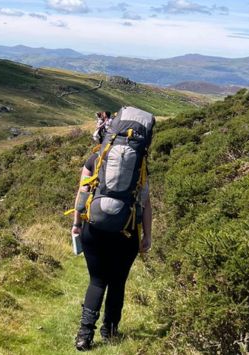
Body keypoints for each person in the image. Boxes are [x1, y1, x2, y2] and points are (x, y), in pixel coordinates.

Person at [71, 111, 153, 351]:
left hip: (94, 230)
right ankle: (110, 333)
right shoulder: (140, 165)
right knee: (117, 283)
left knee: (97, 281)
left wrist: (77, 224)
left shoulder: (94, 159)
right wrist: (147, 235)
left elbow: (82, 193)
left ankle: (84, 335)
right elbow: (145, 203)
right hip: (126, 232)